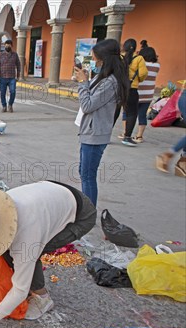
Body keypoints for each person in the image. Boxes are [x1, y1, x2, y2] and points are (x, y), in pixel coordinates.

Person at [0, 181, 96, 328]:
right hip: (52, 194)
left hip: (81, 215)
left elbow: (20, 289)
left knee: (23, 255)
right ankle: (32, 282)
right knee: (7, 252)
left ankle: (43, 298)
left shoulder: (25, 238)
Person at [74, 39, 129, 206]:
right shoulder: (102, 77)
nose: (94, 62)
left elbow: (88, 105)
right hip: (89, 133)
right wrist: (85, 80)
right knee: (84, 173)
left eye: (95, 59)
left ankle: (89, 213)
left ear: (104, 60)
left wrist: (83, 83)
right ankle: (88, 209)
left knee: (88, 176)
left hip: (95, 135)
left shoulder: (110, 82)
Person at [113, 38, 147, 146]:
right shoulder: (139, 58)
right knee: (131, 113)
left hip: (118, 88)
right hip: (131, 89)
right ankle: (127, 137)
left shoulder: (119, 57)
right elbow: (142, 74)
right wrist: (137, 80)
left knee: (114, 112)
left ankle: (104, 134)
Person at [132, 42, 160, 143]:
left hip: (136, 92)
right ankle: (139, 136)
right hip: (148, 95)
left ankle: (126, 134)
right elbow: (157, 60)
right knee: (142, 115)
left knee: (130, 113)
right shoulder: (157, 66)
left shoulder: (140, 64)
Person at [0, 39, 20, 113]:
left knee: (13, 92)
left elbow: (18, 65)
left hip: (12, 77)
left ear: (11, 46)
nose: (7, 46)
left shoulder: (15, 55)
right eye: (6, 44)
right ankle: (4, 106)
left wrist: (18, 75)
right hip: (2, 77)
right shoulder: (0, 54)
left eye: (9, 44)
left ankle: (10, 105)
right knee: (2, 92)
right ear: (4, 45)